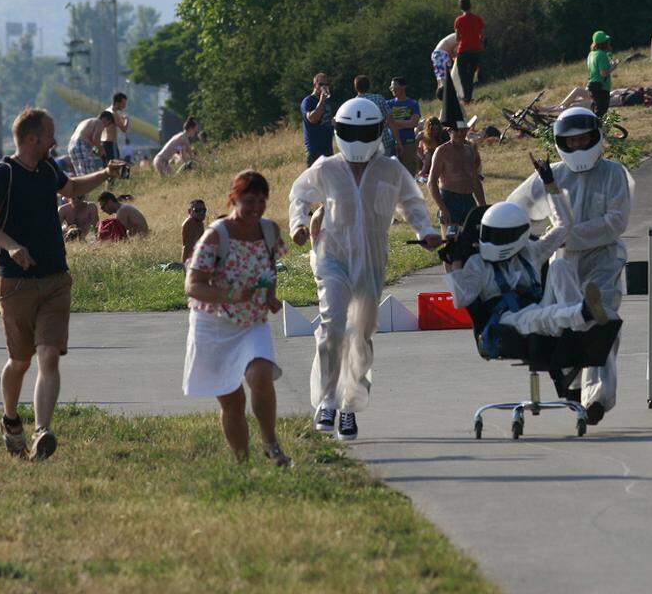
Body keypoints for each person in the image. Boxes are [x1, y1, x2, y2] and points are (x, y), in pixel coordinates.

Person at [0, 108, 128, 460]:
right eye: (50, 135)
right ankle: (11, 419)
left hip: (56, 278)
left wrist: (106, 172)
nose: (55, 141)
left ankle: (42, 430)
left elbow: (72, 187)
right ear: (33, 139)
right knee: (20, 360)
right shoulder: (3, 174)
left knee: (49, 356)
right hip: (15, 283)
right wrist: (11, 246)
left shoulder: (47, 169)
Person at [289, 98, 441, 441]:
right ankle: (327, 400)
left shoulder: (390, 169)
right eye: (351, 132)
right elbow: (299, 193)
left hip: (372, 262)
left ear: (377, 131)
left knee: (360, 334)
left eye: (365, 132)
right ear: (340, 132)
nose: (358, 138)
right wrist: (298, 224)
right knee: (332, 325)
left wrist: (425, 230)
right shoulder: (327, 168)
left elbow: (412, 202)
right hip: (332, 257)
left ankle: (348, 406)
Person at [509, 107, 633, 425]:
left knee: (603, 322)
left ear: (595, 137)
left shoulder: (614, 173)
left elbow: (615, 223)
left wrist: (566, 235)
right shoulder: (552, 174)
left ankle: (597, 399)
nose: (577, 146)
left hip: (603, 259)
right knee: (566, 322)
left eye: (583, 139)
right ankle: (574, 383)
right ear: (561, 143)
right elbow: (514, 208)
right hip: (563, 262)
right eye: (571, 140)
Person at [446, 155, 614, 339]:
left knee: (559, 266)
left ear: (519, 235)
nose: (495, 240)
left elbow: (564, 224)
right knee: (540, 317)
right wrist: (455, 261)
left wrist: (549, 184)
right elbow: (461, 299)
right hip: (508, 319)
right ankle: (584, 314)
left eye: (501, 235)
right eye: (491, 233)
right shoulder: (479, 263)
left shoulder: (531, 251)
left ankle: (580, 322)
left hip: (541, 308)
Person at [184, 171, 289, 465]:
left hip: (252, 323)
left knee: (262, 375)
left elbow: (269, 268)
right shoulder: (216, 235)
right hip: (214, 324)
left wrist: (269, 296)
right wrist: (230, 294)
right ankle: (242, 463)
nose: (255, 207)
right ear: (233, 199)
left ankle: (271, 444)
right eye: (248, 200)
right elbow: (193, 285)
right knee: (232, 400)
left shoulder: (269, 231)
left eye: (260, 200)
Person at [428, 123, 486, 231]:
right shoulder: (441, 151)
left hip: (469, 201)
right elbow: (431, 182)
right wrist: (443, 209)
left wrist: (482, 206)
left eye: (463, 130)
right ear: (449, 131)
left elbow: (475, 181)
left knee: (472, 241)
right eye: (456, 131)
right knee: (451, 243)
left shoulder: (470, 150)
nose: (460, 133)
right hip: (450, 201)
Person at [353, 75, 398, 158]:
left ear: (356, 87)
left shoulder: (352, 104)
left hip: (364, 146)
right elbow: (391, 122)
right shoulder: (379, 99)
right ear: (369, 86)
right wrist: (398, 141)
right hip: (384, 142)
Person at [387, 77, 422, 176]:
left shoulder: (413, 104)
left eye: (395, 87)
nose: (392, 89)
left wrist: (394, 122)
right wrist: (404, 123)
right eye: (391, 87)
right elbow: (386, 122)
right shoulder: (388, 104)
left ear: (403, 87)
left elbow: (414, 123)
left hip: (408, 143)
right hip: (391, 143)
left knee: (409, 173)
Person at [300, 72, 336, 168]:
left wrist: (334, 122)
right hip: (315, 151)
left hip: (328, 149)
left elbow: (327, 119)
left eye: (326, 84)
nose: (324, 87)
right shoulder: (308, 101)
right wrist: (321, 101)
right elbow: (312, 119)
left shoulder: (327, 101)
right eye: (321, 84)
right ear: (315, 85)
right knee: (315, 182)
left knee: (329, 181)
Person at [453, 0, 484, 104]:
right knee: (470, 76)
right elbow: (481, 35)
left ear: (460, 7)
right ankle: (468, 98)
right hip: (476, 51)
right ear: (470, 5)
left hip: (463, 51)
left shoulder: (458, 20)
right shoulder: (478, 19)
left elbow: (457, 38)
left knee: (463, 76)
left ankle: (466, 99)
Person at [68, 112, 115, 176]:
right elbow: (95, 139)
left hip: (71, 144)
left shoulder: (86, 121)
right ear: (105, 119)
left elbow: (90, 140)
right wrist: (102, 150)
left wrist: (96, 150)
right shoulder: (99, 122)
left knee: (80, 174)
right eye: (108, 124)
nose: (105, 127)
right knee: (88, 174)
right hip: (81, 144)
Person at [586, 31, 613, 119]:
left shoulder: (591, 54)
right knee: (601, 114)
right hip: (601, 88)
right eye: (607, 41)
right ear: (604, 43)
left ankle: (596, 130)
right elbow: (603, 73)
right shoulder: (602, 55)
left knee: (595, 111)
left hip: (592, 87)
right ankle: (597, 131)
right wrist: (613, 67)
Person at [101, 92, 130, 162]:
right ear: (117, 103)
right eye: (123, 104)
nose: (124, 106)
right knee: (115, 166)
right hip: (110, 143)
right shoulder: (113, 113)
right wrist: (126, 119)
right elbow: (124, 129)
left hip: (103, 143)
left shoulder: (107, 111)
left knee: (107, 165)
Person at [416, 116, 445, 181]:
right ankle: (422, 174)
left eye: (436, 130)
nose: (435, 132)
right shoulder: (422, 134)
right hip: (424, 156)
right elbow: (414, 146)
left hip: (437, 156)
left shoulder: (442, 134)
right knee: (428, 154)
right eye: (433, 130)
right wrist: (422, 158)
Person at [432, 32, 458, 99]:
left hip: (437, 54)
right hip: (442, 54)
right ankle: (448, 100)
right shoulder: (462, 37)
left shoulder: (457, 34)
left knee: (441, 80)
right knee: (447, 80)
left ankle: (445, 100)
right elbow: (455, 52)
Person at [182, 199, 207, 264]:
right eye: (197, 210)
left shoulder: (199, 223)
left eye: (203, 210)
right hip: (192, 261)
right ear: (189, 211)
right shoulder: (190, 223)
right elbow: (187, 247)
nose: (201, 213)